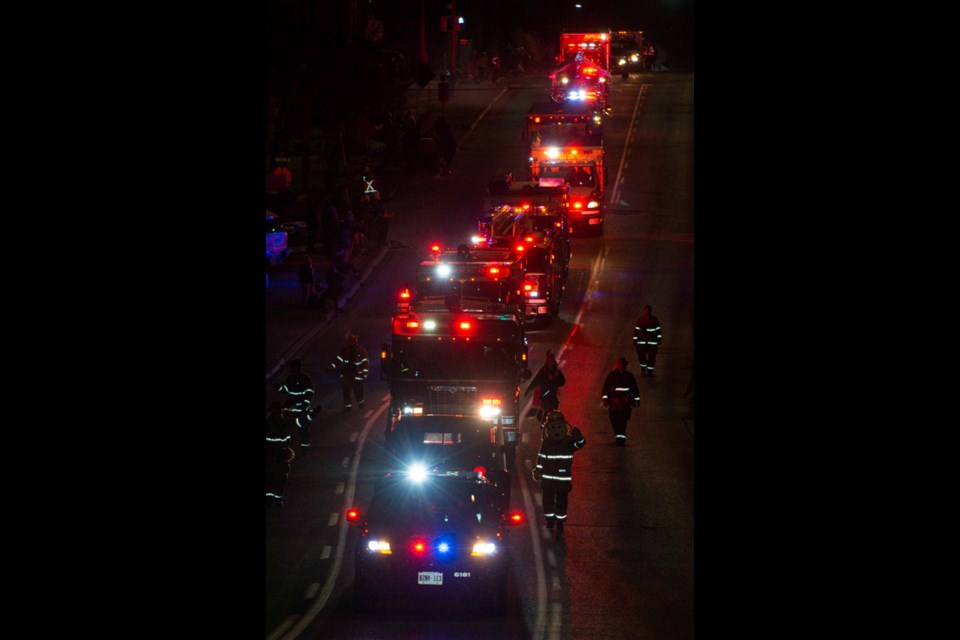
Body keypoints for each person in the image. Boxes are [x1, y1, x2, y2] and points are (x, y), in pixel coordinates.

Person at [531, 410, 586, 534]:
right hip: (548, 479)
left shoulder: (569, 441)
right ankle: (550, 519)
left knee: (562, 500)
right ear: (548, 429)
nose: (556, 430)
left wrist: (579, 437)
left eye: (558, 427)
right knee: (548, 500)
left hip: (562, 479)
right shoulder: (546, 442)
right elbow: (541, 457)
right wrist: (538, 470)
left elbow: (580, 445)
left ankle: (560, 521)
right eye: (553, 427)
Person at [273, 359, 316, 455]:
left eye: (293, 367)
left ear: (298, 367)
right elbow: (286, 390)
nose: (291, 369)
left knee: (303, 430)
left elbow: (310, 392)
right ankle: (288, 449)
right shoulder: (290, 378)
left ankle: (305, 448)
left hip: (301, 410)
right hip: (291, 410)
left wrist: (305, 404)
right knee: (288, 429)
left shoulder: (305, 378)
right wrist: (278, 387)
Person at [600, 357, 641, 446]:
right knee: (615, 420)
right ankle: (619, 436)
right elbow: (606, 389)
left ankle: (620, 438)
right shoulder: (613, 375)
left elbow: (634, 390)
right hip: (615, 403)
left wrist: (636, 400)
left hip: (623, 403)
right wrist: (606, 399)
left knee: (621, 421)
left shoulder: (627, 376)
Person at [266, 402, 296, 508]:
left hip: (281, 455)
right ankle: (270, 500)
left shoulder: (286, 423)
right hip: (271, 455)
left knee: (279, 479)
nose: (279, 413)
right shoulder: (270, 424)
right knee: (271, 479)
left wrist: (312, 415)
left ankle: (276, 500)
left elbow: (299, 423)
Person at [524, 349, 566, 423]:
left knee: (553, 413)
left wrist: (557, 377)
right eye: (549, 360)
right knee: (543, 413)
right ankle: (544, 425)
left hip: (553, 395)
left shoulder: (556, 371)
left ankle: (549, 425)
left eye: (551, 360)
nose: (550, 362)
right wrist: (528, 389)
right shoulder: (544, 370)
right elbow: (536, 380)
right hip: (544, 395)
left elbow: (562, 382)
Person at [331, 333, 369, 411]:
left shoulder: (361, 351)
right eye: (349, 341)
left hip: (357, 376)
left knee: (358, 392)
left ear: (355, 341)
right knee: (346, 393)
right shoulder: (345, 351)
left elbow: (365, 363)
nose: (351, 342)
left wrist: (364, 374)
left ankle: (360, 404)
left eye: (352, 340)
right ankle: (348, 407)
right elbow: (339, 359)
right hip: (347, 376)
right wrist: (332, 366)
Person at [632, 305, 663, 376]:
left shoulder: (654, 320)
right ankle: (643, 370)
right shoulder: (640, 320)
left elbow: (658, 330)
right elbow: (636, 331)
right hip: (642, 344)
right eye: (646, 310)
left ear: (650, 311)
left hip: (651, 344)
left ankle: (650, 372)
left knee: (652, 358)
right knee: (641, 358)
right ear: (644, 311)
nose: (647, 312)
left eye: (648, 310)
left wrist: (659, 339)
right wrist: (635, 340)